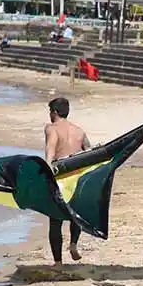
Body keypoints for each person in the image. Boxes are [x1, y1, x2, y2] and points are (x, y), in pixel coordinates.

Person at [44, 97, 91, 265]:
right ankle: (73, 244)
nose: (49, 115)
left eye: (50, 111)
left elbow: (50, 149)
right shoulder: (79, 131)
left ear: (54, 112)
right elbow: (90, 152)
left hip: (61, 177)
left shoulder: (52, 128)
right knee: (75, 215)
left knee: (55, 220)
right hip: (77, 177)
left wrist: (46, 171)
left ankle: (58, 262)